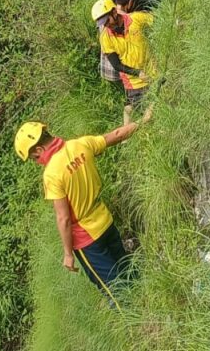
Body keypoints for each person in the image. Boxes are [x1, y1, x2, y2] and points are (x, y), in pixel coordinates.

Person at [14, 109, 153, 302]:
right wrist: (143, 121)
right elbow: (117, 135)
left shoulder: (52, 174)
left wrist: (68, 253)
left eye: (34, 158)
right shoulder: (79, 144)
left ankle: (139, 323)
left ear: (38, 150)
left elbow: (63, 218)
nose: (37, 163)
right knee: (127, 268)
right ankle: (150, 304)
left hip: (87, 239)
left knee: (115, 290)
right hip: (105, 220)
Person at [92, 0, 156, 110]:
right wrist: (138, 73)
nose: (107, 25)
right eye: (103, 24)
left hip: (155, 72)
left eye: (107, 21)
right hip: (134, 84)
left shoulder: (136, 18)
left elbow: (159, 21)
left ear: (114, 12)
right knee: (148, 115)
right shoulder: (105, 38)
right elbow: (116, 65)